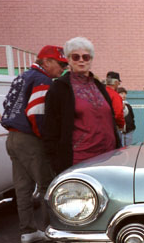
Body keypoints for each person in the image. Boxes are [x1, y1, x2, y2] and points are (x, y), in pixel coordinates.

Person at [1, 45, 67, 243]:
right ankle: (50, 229)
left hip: (12, 137)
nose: (62, 69)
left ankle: (28, 230)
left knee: (22, 187)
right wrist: (46, 139)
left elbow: (7, 104)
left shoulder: (23, 76)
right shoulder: (42, 79)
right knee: (47, 183)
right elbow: (36, 113)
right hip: (29, 138)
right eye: (60, 63)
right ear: (46, 62)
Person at [43, 37, 120, 175]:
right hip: (79, 160)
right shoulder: (59, 88)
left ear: (91, 60)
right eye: (76, 57)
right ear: (69, 59)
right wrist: (55, 162)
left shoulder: (99, 86)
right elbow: (50, 129)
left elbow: (111, 120)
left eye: (86, 57)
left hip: (108, 158)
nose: (81, 60)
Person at [104, 71, 126, 136]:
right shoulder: (115, 96)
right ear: (116, 82)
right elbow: (118, 114)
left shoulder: (99, 92)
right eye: (119, 83)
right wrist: (121, 125)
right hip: (112, 128)